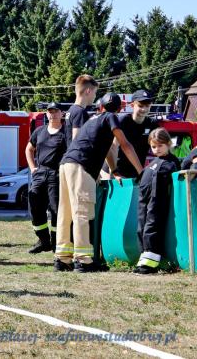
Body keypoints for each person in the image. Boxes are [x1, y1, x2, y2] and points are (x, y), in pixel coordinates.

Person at [54, 92, 143, 273]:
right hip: (82, 166)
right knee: (82, 212)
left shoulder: (93, 120)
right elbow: (124, 144)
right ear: (119, 109)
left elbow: (108, 149)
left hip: (65, 164)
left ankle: (62, 258)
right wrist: (142, 172)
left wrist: (114, 171)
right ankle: (83, 260)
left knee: (65, 212)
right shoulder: (111, 118)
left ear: (101, 106)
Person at [134, 128, 180, 275]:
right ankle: (143, 258)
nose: (157, 149)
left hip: (158, 202)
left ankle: (150, 263)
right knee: (141, 227)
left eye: (160, 145)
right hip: (145, 201)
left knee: (152, 226)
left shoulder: (172, 163)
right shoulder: (153, 163)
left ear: (168, 144)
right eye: (154, 146)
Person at [24, 102, 66, 254]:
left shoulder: (66, 132)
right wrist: (33, 168)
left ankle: (56, 242)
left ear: (62, 114)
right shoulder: (39, 131)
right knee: (35, 205)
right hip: (40, 173)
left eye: (56, 111)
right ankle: (43, 240)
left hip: (57, 174)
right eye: (50, 111)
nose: (52, 114)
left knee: (56, 210)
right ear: (46, 114)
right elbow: (29, 149)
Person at [106, 90, 158, 180]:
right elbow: (113, 148)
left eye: (147, 106)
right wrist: (113, 173)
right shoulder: (122, 122)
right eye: (140, 106)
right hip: (119, 173)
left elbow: (161, 146)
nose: (144, 109)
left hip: (137, 172)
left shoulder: (152, 124)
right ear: (132, 105)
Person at [65, 75, 98, 144]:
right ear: (88, 91)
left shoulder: (71, 110)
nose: (95, 96)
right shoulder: (80, 112)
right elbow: (77, 143)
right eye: (95, 92)